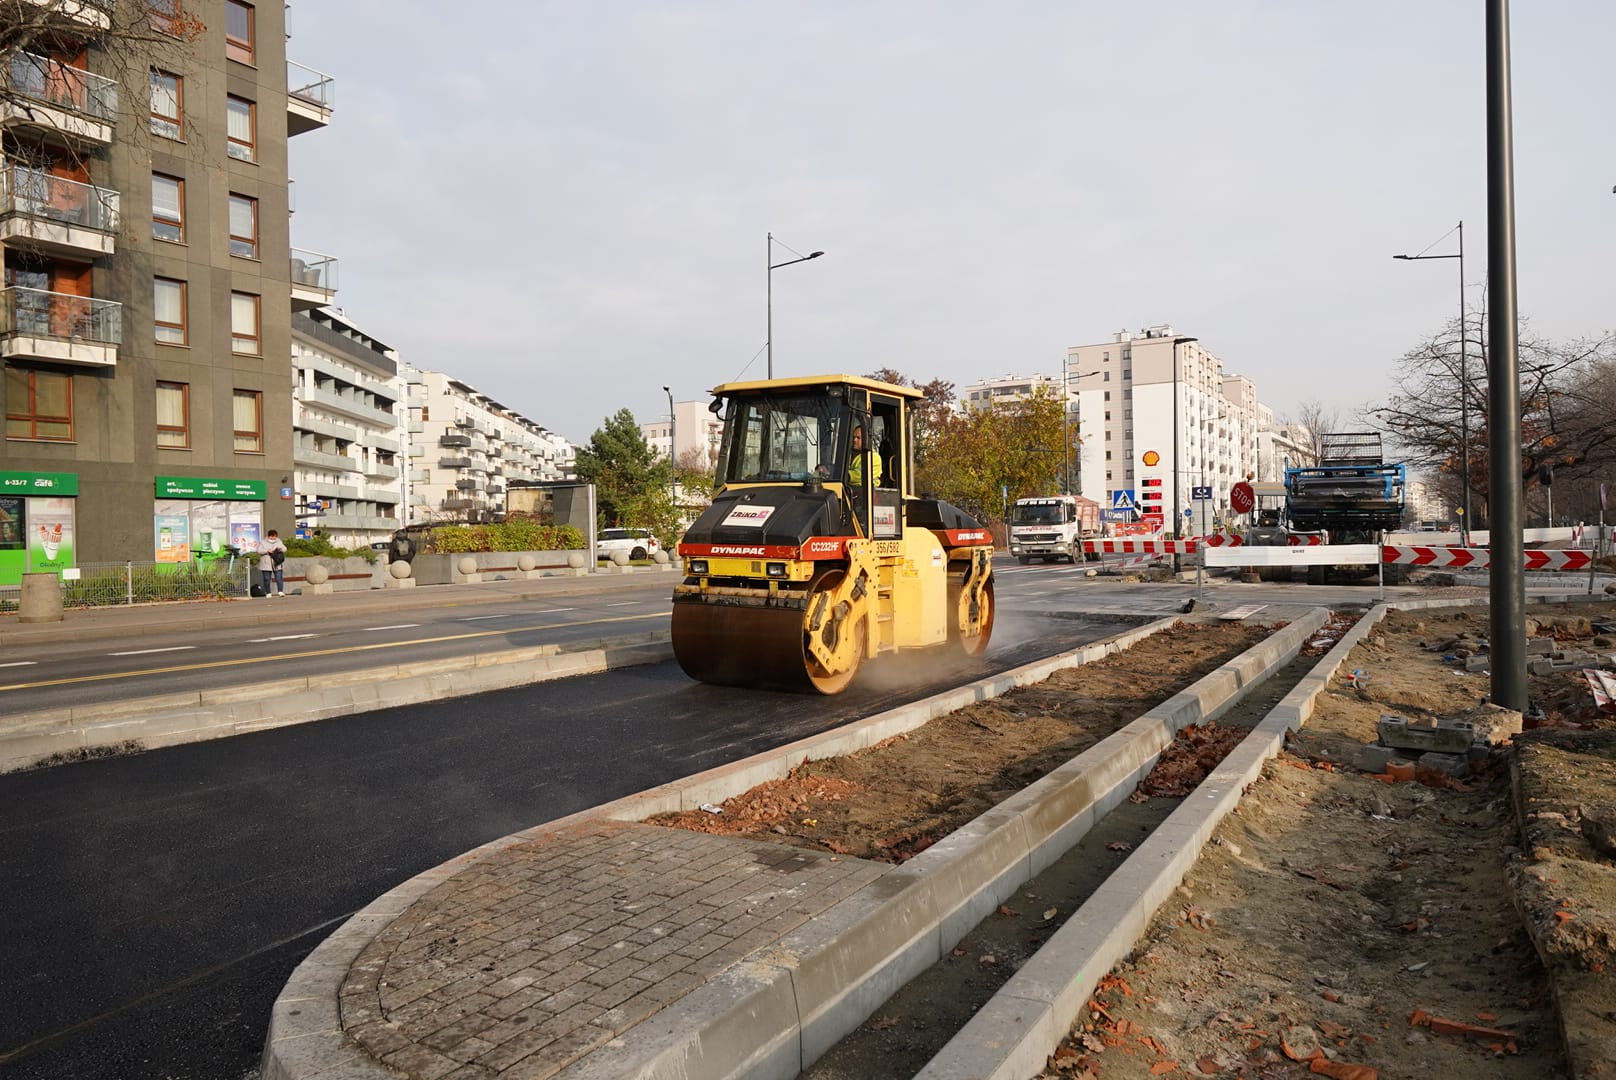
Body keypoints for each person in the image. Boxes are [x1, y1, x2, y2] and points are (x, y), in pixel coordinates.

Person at [258, 529, 287, 598]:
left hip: (277, 563)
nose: (273, 538)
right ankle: (268, 592)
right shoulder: (263, 542)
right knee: (267, 579)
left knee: (279, 578)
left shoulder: (279, 541)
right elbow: (259, 550)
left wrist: (280, 548)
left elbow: (285, 549)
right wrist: (267, 551)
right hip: (266, 564)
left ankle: (280, 591)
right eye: (271, 536)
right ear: (268, 536)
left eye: (274, 537)